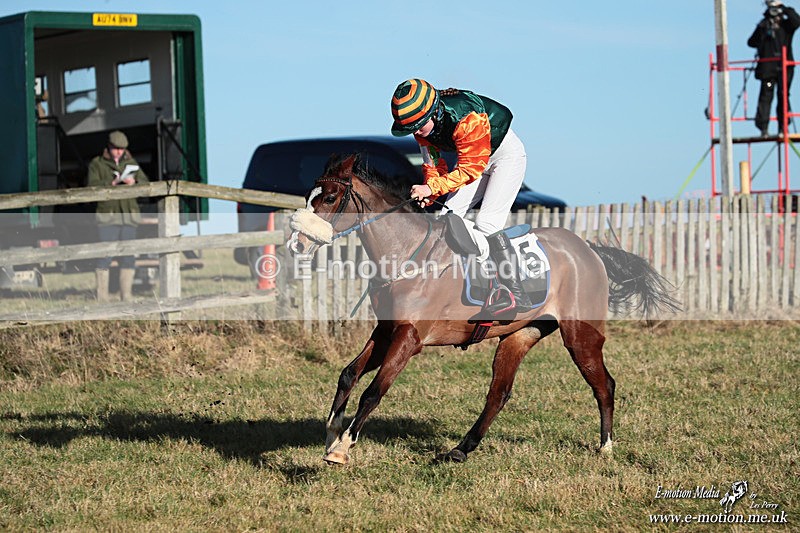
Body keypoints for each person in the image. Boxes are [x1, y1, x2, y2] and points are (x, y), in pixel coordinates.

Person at [390, 78, 531, 315]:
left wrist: (431, 189)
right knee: (447, 217)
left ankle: (515, 292)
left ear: (432, 113)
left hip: (505, 159)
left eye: (417, 126)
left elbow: (470, 170)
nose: (415, 132)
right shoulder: (422, 127)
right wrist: (430, 187)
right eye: (410, 128)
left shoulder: (467, 118)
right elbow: (434, 166)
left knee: (486, 223)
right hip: (475, 161)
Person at [87, 130, 149, 301]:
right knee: (105, 255)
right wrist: (111, 183)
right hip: (108, 217)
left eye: (122, 149)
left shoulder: (131, 163)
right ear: (109, 147)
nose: (119, 152)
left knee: (129, 257)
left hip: (128, 217)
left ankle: (126, 296)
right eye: (116, 149)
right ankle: (102, 297)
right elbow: (91, 186)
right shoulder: (97, 164)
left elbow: (146, 184)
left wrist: (134, 183)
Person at [748, 0, 800, 137]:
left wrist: (784, 9)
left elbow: (797, 21)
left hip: (785, 70)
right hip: (769, 72)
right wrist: (764, 25)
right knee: (767, 95)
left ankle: (783, 126)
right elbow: (751, 42)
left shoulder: (786, 25)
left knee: (783, 95)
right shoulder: (764, 25)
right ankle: (763, 127)